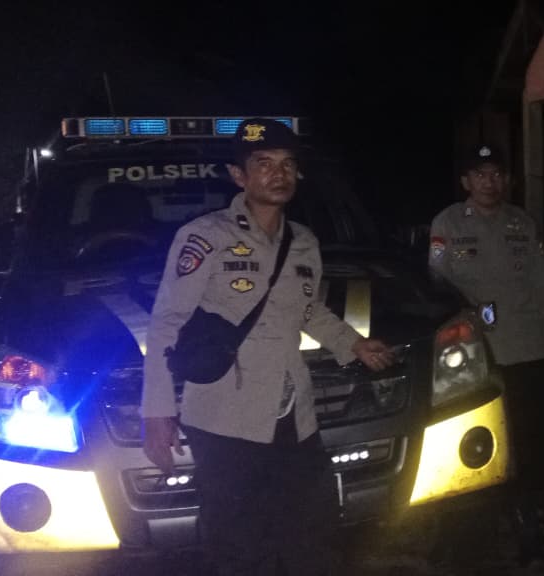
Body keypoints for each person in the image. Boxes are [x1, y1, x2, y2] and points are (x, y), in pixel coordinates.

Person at [141, 118, 395, 576]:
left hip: (293, 415)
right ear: (239, 175)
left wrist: (355, 344)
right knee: (239, 544)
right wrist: (157, 414)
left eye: (288, 164)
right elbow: (167, 323)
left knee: (311, 533)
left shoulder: (304, 242)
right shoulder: (205, 237)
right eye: (264, 163)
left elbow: (309, 311)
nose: (279, 174)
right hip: (224, 417)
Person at [428, 143, 544, 563]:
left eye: (495, 174)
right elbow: (435, 282)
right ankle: (469, 522)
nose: (488, 182)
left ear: (506, 180)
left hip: (528, 345)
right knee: (474, 436)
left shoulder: (521, 224)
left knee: (530, 435)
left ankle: (530, 515)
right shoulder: (448, 223)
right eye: (480, 175)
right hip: (474, 351)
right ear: (466, 182)